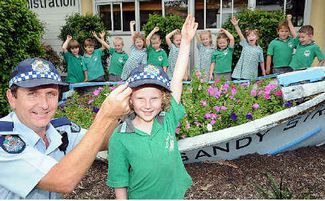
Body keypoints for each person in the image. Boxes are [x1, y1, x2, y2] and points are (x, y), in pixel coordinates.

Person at [0, 58, 131, 199]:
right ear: (12, 98)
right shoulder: (4, 140)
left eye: (51, 94)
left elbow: (104, 141)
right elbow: (62, 180)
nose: (44, 104)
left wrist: (125, 111)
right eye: (32, 94)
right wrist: (105, 115)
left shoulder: (61, 130)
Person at [106, 15, 198, 199]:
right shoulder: (120, 136)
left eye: (154, 98)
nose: (147, 105)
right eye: (140, 98)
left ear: (163, 98)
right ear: (130, 99)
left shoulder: (167, 119)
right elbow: (119, 181)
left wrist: (186, 42)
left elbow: (177, 79)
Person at [231, 16, 266, 80]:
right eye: (248, 36)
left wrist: (263, 71)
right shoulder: (245, 44)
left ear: (257, 37)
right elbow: (240, 34)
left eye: (253, 35)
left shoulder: (259, 49)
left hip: (252, 73)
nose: (250, 37)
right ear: (247, 38)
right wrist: (236, 26)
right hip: (242, 73)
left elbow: (261, 61)